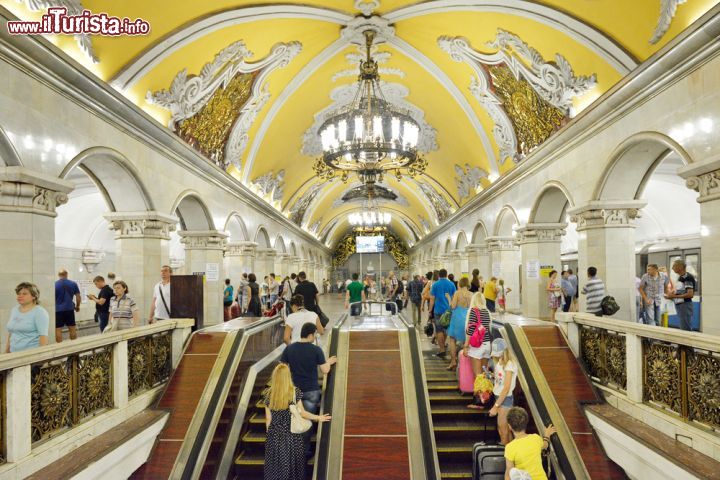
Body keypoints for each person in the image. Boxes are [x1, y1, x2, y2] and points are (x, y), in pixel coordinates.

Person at [262, 363, 330, 480]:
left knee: (276, 468)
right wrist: (318, 417)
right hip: (292, 436)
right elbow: (302, 413)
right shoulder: (294, 392)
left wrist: (270, 435)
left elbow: (268, 419)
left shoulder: (267, 394)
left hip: (274, 436)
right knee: (293, 468)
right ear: (288, 376)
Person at [281, 322, 337, 458]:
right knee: (305, 422)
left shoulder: (289, 349)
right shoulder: (316, 350)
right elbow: (325, 370)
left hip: (294, 391)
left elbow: (282, 369)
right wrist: (328, 362)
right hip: (311, 391)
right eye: (315, 334)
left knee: (294, 420)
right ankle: (303, 452)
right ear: (311, 335)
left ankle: (291, 451)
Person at [504, 407, 557, 480]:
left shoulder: (510, 448)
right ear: (526, 423)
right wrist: (547, 434)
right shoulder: (535, 438)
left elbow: (509, 472)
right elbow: (545, 445)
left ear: (509, 426)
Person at [6, 282, 49, 353]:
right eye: (19, 294)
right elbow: (11, 332)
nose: (20, 296)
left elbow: (43, 338)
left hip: (30, 355)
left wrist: (41, 358)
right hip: (13, 354)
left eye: (24, 294)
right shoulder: (14, 309)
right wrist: (7, 351)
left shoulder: (40, 312)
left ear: (34, 296)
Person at [489, 338, 517, 445]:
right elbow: (501, 380)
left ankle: (506, 457)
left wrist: (495, 406)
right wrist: (491, 376)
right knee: (504, 429)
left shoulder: (509, 364)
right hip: (499, 397)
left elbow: (506, 388)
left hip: (504, 399)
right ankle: (508, 451)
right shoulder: (500, 361)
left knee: (503, 430)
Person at [464, 292, 492, 381]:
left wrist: (466, 346)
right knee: (484, 374)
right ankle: (486, 393)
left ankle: (480, 395)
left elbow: (471, 330)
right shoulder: (487, 312)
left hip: (477, 346)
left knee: (478, 376)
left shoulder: (473, 311)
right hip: (487, 345)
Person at [429, 269, 457, 359]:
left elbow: (432, 299)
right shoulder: (451, 284)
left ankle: (441, 349)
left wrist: (430, 310)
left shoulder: (435, 285)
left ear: (439, 275)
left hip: (438, 310)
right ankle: (443, 344)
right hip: (449, 311)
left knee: (439, 330)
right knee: (445, 329)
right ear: (446, 275)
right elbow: (454, 298)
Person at [446, 277, 472, 370]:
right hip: (467, 319)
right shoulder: (471, 294)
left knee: (452, 339)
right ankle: (466, 364)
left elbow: (452, 306)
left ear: (460, 284)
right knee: (466, 340)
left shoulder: (457, 293)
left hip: (457, 318)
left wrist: (449, 298)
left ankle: (453, 361)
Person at [666, 259, 696, 331]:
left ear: (680, 267)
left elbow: (690, 294)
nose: (672, 268)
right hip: (681, 305)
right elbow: (681, 291)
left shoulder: (687, 277)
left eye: (674, 266)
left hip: (685, 305)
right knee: (683, 327)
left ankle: (686, 342)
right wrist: (671, 296)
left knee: (686, 328)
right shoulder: (681, 277)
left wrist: (674, 296)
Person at [55, 268, 81, 343]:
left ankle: (60, 350)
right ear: (66, 275)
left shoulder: (54, 284)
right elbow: (78, 297)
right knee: (72, 329)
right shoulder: (73, 284)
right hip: (69, 309)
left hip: (58, 310)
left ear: (58, 275)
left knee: (58, 330)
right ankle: (74, 352)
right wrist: (77, 306)